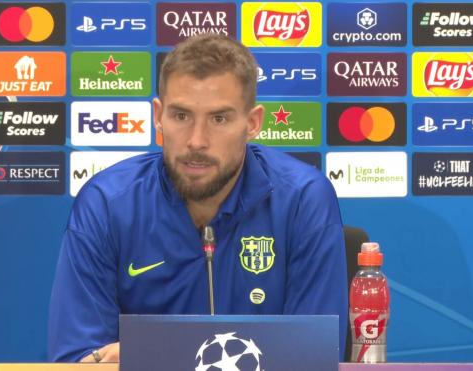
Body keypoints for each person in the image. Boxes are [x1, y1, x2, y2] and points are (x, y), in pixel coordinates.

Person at [48, 34, 348, 363]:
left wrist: (146, 356)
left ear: (252, 123)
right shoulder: (106, 204)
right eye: (181, 116)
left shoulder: (303, 200)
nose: (196, 141)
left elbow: (313, 357)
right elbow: (80, 360)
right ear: (158, 116)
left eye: (219, 119)